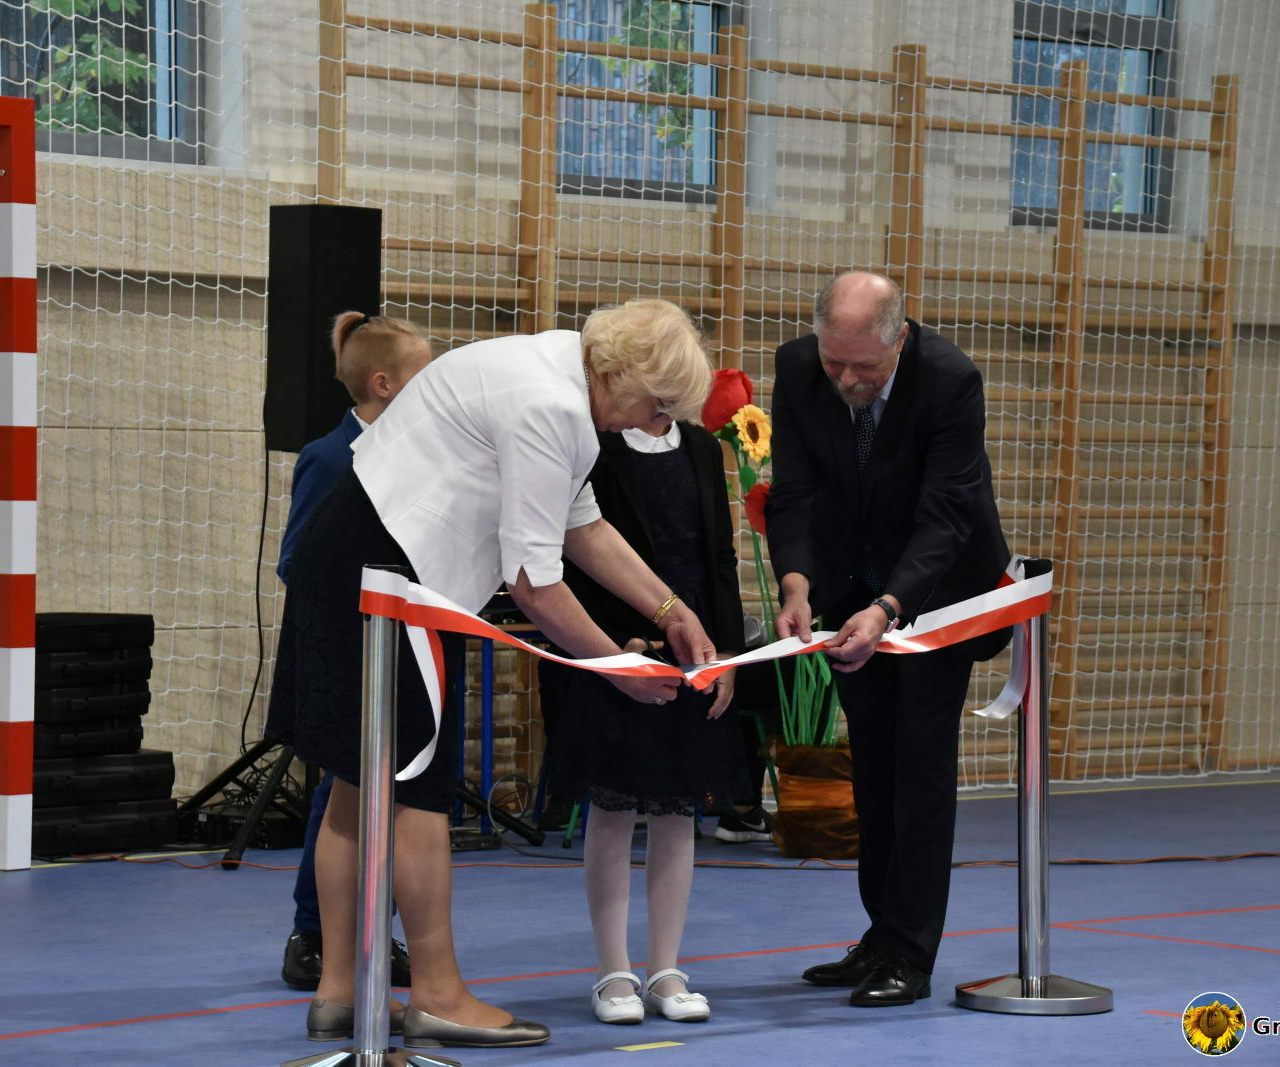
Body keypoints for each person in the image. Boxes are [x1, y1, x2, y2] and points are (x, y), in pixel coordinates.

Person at [264, 298, 716, 1049]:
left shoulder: (555, 368)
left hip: (348, 560)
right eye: (657, 404)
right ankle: (437, 993)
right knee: (417, 791)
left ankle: (340, 987)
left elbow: (582, 525)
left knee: (356, 785)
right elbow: (534, 582)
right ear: (621, 375)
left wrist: (670, 608)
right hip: (389, 577)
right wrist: (617, 667)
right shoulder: (552, 406)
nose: (655, 422)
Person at [765, 271, 1011, 1008]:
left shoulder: (950, 380)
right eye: (833, 362)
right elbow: (794, 490)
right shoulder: (796, 368)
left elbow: (947, 514)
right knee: (871, 767)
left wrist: (890, 606)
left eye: (864, 367)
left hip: (938, 595)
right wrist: (796, 584)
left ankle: (911, 951)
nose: (846, 379)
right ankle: (879, 935)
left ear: (899, 338)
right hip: (848, 593)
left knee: (920, 769)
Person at [540, 415, 744, 1026]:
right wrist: (614, 646)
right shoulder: (596, 443)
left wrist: (729, 654)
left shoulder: (702, 447)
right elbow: (577, 551)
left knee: (677, 811)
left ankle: (666, 968)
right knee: (612, 809)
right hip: (618, 650)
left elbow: (720, 556)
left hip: (694, 647)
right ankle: (613, 970)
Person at [278, 312, 430, 994]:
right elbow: (298, 560)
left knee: (394, 794)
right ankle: (313, 933)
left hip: (402, 649)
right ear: (384, 384)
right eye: (423, 374)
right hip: (345, 651)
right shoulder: (329, 456)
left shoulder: (422, 458)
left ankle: (371, 928)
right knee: (341, 792)